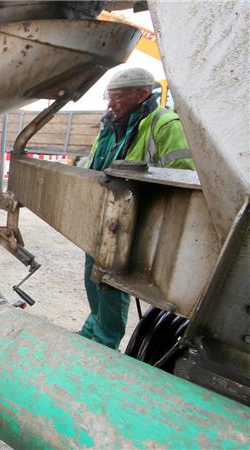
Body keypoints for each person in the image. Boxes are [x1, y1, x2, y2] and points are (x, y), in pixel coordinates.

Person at [81, 67, 194, 349]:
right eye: (110, 96)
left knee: (111, 284)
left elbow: (184, 177)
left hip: (133, 226)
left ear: (142, 95)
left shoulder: (165, 125)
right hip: (103, 220)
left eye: (118, 97)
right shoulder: (110, 127)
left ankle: (104, 345)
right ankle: (91, 331)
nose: (110, 103)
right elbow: (96, 167)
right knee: (93, 281)